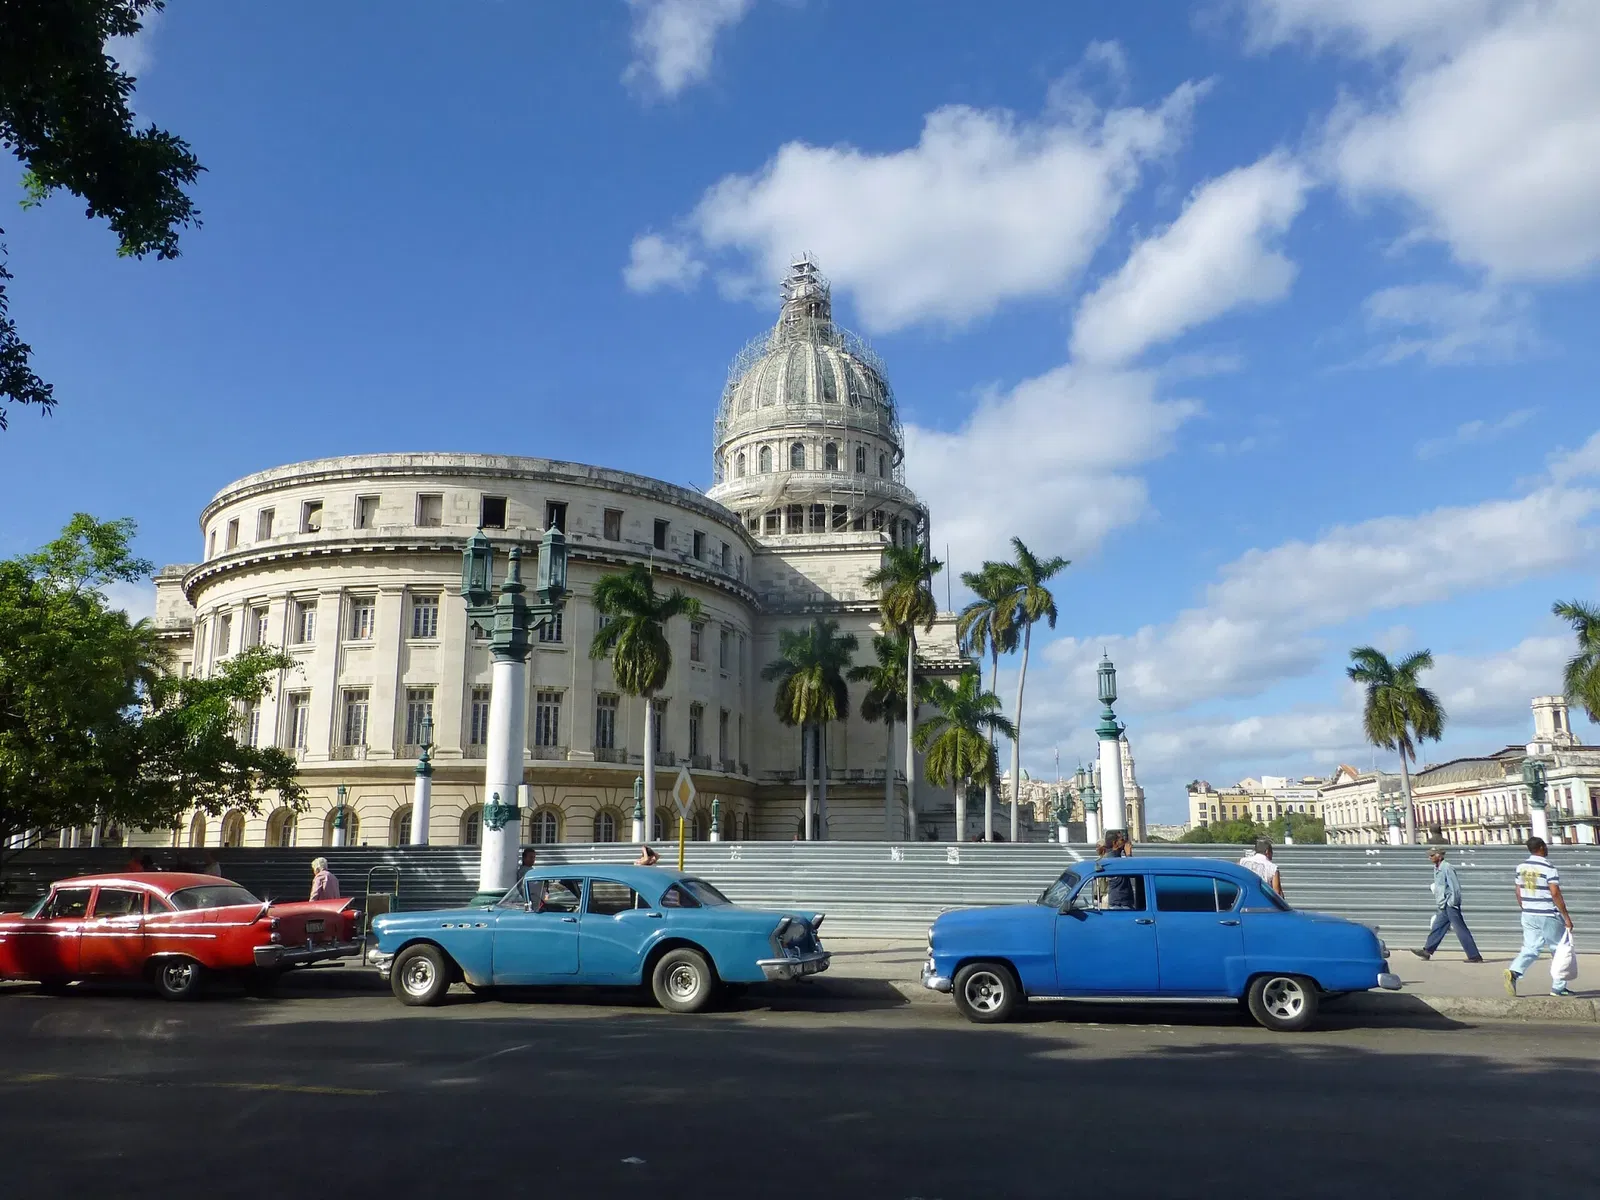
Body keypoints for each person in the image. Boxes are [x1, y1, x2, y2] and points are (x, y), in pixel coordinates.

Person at [1505, 836, 1575, 997]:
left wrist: (1526, 907)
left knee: (1530, 947)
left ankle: (1514, 972)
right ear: (1542, 847)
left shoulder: (1521, 867)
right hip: (1548, 913)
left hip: (1528, 913)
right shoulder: (1549, 867)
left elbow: (1518, 891)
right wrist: (1566, 916)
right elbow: (1555, 893)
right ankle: (1559, 987)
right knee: (1559, 949)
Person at [1411, 848, 1482, 962]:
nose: (1430, 858)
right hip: (1443, 904)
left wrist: (1452, 902)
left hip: (1450, 904)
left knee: (1460, 929)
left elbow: (1455, 887)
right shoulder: (1437, 868)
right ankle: (1427, 951)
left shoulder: (1447, 867)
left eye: (1432, 855)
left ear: (1439, 856)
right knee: (1438, 927)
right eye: (1429, 856)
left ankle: (1474, 956)